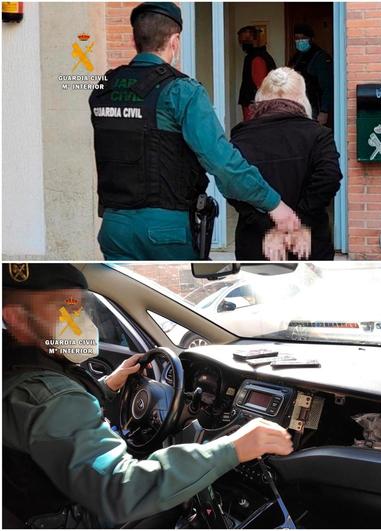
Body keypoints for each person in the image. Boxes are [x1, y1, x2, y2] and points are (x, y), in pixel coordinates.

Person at [2, 263, 293, 528]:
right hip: (77, 517)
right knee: (186, 497)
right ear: (16, 319)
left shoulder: (20, 372)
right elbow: (120, 490)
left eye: (78, 307)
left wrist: (110, 385)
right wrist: (233, 448)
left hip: (37, 509)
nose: (76, 320)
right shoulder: (52, 398)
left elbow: (53, 418)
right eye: (62, 308)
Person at [89, 2, 299, 261]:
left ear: (135, 40)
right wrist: (274, 204)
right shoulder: (181, 91)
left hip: (114, 227)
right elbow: (222, 162)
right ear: (175, 41)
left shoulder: (104, 88)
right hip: (166, 229)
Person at [229, 67, 342, 261]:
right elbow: (329, 179)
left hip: (258, 242)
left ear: (261, 96)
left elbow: (233, 186)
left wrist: (269, 227)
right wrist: (301, 223)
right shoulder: (318, 134)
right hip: (308, 242)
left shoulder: (241, 135)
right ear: (301, 97)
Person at [289, 24, 333, 126]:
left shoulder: (319, 57)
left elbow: (327, 86)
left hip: (315, 106)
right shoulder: (297, 56)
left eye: (303, 38)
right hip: (300, 105)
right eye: (297, 38)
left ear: (311, 39)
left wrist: (324, 111)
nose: (300, 41)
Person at [237, 25, 276, 121]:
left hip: (255, 105)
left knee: (253, 132)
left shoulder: (256, 58)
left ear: (254, 40)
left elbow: (260, 85)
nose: (242, 44)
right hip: (258, 104)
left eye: (244, 41)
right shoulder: (264, 56)